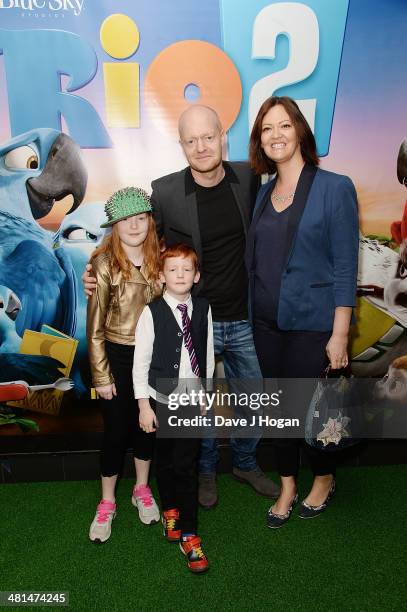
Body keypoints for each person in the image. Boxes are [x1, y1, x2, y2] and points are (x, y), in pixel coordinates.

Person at [83, 104, 280, 508]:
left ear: (222, 136)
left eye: (208, 137)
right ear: (181, 146)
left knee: (254, 395)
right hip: (195, 319)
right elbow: (134, 233)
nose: (201, 146)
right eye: (191, 140)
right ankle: (205, 469)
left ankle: (244, 461)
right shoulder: (167, 191)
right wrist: (98, 270)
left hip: (240, 315)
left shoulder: (248, 177)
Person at [245, 96, 359, 527]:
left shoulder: (335, 187)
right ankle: (288, 484)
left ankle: (324, 478)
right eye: (267, 128)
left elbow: (346, 264)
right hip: (266, 324)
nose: (276, 135)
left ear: (300, 132)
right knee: (278, 410)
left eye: (284, 126)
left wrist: (340, 334)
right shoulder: (261, 194)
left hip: (313, 326)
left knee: (315, 409)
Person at [87, 187, 162, 543]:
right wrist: (102, 376)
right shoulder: (103, 266)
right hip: (116, 358)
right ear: (114, 226)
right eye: (126, 220)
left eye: (141, 218)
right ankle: (107, 502)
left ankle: (142, 490)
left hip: (150, 361)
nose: (134, 226)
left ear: (150, 221)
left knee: (147, 428)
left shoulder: (159, 261)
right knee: (116, 432)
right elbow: (94, 329)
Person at [133, 244, 214, 573]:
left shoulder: (204, 309)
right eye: (172, 270)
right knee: (165, 461)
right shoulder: (151, 312)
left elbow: (207, 354)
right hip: (159, 400)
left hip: (191, 400)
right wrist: (143, 405)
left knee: (186, 466)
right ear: (161, 276)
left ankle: (191, 536)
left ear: (196, 276)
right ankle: (170, 512)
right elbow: (141, 362)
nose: (179, 275)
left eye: (186, 270)